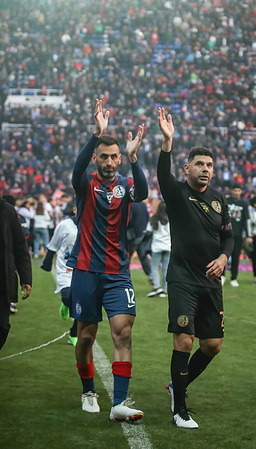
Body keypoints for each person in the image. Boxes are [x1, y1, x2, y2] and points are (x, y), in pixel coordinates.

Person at [66, 99, 148, 421]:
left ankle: (119, 403)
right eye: (105, 157)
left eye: (115, 157)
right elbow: (76, 169)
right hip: (86, 271)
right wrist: (94, 134)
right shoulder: (85, 184)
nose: (111, 162)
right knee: (85, 337)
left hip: (118, 274)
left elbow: (141, 193)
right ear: (96, 159)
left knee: (123, 332)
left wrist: (134, 158)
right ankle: (88, 390)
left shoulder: (125, 184)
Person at [157, 108, 234, 429]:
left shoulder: (219, 200)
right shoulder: (176, 193)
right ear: (187, 168)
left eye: (210, 165)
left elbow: (229, 237)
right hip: (182, 281)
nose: (206, 169)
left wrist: (225, 257)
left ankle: (178, 386)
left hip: (211, 284)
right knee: (184, 341)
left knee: (212, 345)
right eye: (200, 164)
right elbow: (163, 174)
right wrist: (168, 141)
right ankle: (180, 410)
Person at [41, 203, 78, 346]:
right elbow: (53, 245)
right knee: (69, 299)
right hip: (66, 270)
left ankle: (74, 334)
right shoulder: (64, 225)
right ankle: (65, 303)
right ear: (75, 209)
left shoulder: (93, 225)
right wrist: (47, 262)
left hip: (84, 272)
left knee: (84, 307)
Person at [0, 196, 32, 350]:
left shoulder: (7, 210)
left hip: (3, 279)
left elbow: (20, 246)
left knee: (3, 326)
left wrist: (26, 278)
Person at [222, 184, 251, 287]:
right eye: (235, 190)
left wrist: (248, 235)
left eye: (238, 190)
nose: (236, 192)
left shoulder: (244, 204)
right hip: (225, 234)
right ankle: (222, 276)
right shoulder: (226, 201)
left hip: (237, 235)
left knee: (235, 257)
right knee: (223, 255)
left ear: (241, 192)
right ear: (231, 191)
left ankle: (234, 278)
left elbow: (246, 221)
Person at [146, 200, 171, 298]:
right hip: (168, 246)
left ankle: (157, 287)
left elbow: (148, 231)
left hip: (156, 247)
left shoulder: (154, 218)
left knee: (154, 267)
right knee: (165, 268)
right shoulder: (171, 219)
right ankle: (164, 290)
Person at [127, 200, 152, 283]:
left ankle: (124, 274)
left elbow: (128, 219)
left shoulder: (131, 204)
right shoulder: (143, 204)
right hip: (142, 233)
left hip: (133, 234)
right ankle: (151, 276)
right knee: (143, 255)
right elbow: (148, 217)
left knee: (128, 256)